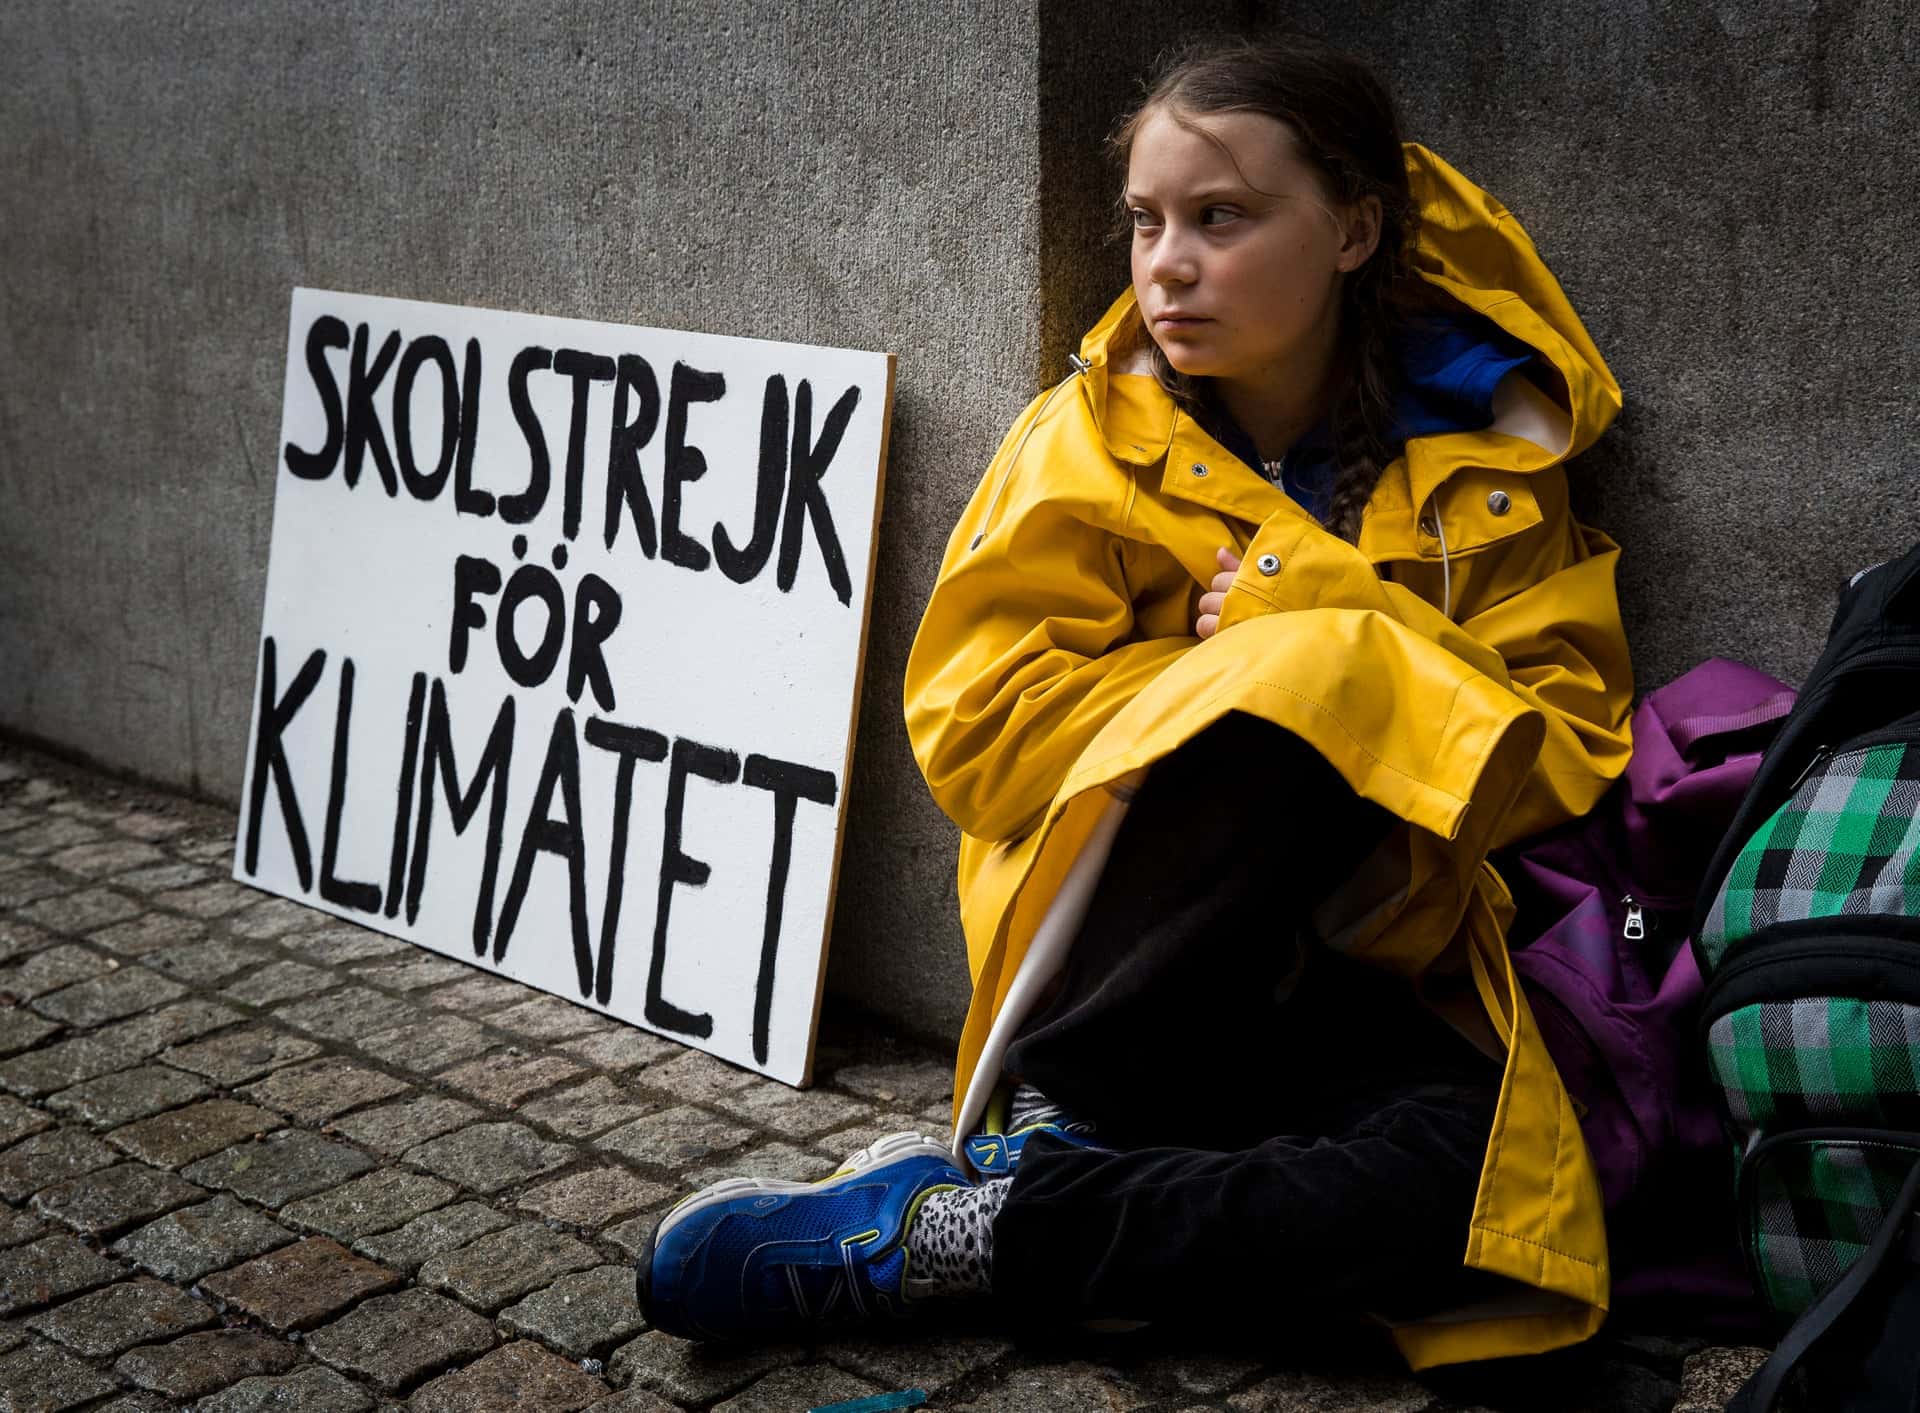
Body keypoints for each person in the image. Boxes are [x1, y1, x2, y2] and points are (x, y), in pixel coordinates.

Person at [638, 33, 1634, 1370]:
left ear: (1352, 229)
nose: (1167, 263)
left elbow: (1567, 748)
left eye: (1221, 218)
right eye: (1146, 221)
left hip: (1368, 969)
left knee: (1492, 1206)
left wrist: (1330, 608)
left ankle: (969, 1235)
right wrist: (1245, 670)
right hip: (1121, 1003)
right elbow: (976, 734)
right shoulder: (1087, 440)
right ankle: (1074, 1119)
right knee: (1300, 676)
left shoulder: (1494, 461)